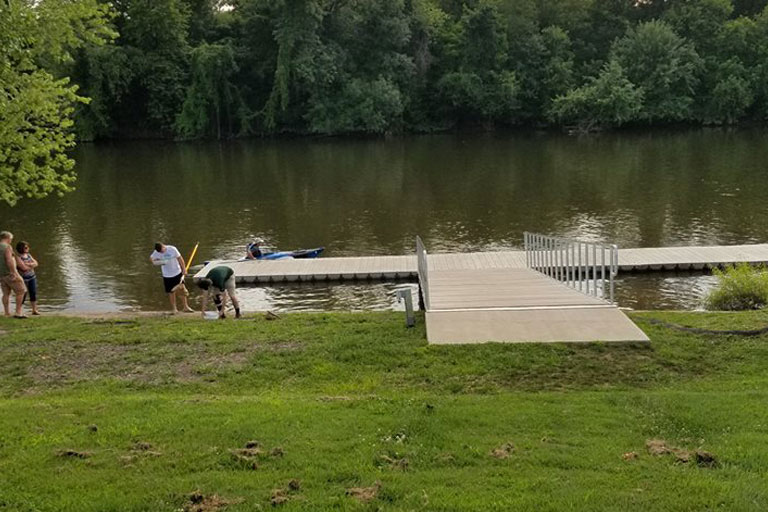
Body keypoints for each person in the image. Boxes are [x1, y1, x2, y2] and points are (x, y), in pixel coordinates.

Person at [149, 242, 194, 314]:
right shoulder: (156, 252)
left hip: (177, 272)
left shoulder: (172, 249)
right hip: (167, 275)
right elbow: (151, 258)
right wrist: (157, 262)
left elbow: (180, 259)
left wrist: (184, 269)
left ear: (164, 246)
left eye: (162, 251)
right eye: (160, 252)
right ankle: (174, 309)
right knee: (171, 292)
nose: (161, 252)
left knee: (182, 290)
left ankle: (185, 307)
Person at [0, 231, 27, 318]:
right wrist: (14, 273)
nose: (11, 241)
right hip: (9, 273)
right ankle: (18, 313)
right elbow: (9, 260)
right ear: (8, 238)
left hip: (1, 274)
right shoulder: (7, 247)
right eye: (11, 239)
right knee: (21, 290)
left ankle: (6, 312)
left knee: (6, 293)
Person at [15, 241, 39, 315]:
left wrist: (28, 264)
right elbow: (23, 268)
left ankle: (34, 310)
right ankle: (19, 311)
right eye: (26, 247)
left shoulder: (28, 255)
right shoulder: (17, 257)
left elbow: (36, 263)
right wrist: (31, 265)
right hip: (23, 278)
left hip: (32, 277)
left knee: (33, 293)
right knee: (23, 294)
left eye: (28, 247)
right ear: (21, 248)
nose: (27, 248)